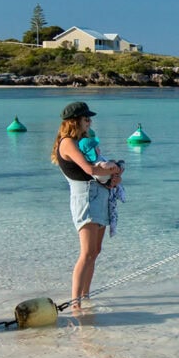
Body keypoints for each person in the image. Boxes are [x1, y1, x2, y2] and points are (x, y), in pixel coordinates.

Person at [50, 101, 124, 309]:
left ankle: (86, 295)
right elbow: (89, 169)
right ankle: (76, 302)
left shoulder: (84, 141)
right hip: (85, 198)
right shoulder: (67, 143)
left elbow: (97, 167)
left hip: (99, 195)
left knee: (95, 251)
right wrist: (114, 169)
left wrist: (113, 177)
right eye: (86, 118)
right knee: (86, 252)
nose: (90, 122)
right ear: (74, 121)